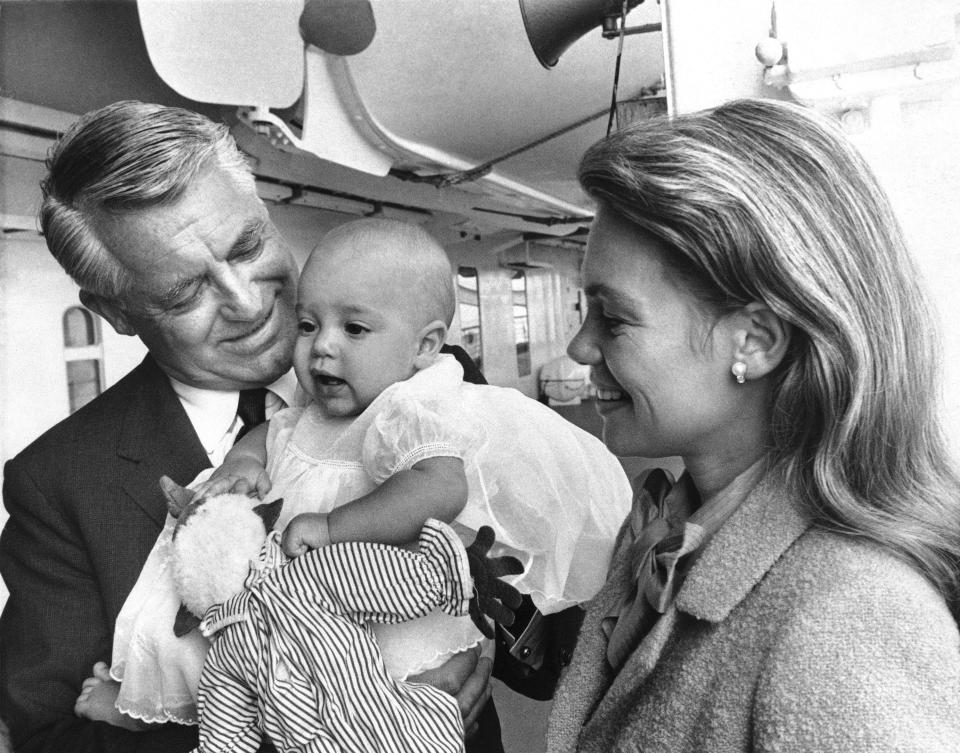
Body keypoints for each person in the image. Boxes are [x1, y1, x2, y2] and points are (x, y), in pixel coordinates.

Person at [0, 101, 497, 753]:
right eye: (185, 293)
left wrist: (492, 632)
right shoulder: (62, 483)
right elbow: (48, 735)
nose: (247, 302)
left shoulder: (426, 375)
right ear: (115, 312)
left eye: (249, 244)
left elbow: (527, 561)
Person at [77, 217, 631, 729]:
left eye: (355, 329)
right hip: (296, 617)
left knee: (355, 697)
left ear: (426, 346)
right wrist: (242, 464)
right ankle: (157, 710)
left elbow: (439, 485)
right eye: (310, 324)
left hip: (381, 627)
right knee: (250, 659)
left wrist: (332, 528)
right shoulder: (305, 415)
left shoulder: (409, 409)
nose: (323, 346)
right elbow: (270, 435)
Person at [546, 98, 960, 752]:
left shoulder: (850, 622)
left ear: (756, 341)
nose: (579, 347)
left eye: (614, 318)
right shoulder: (673, 526)